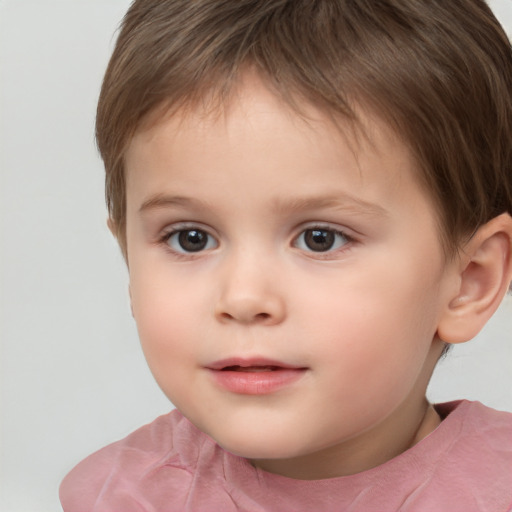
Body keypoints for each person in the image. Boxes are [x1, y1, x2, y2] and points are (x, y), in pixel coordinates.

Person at [59, 0, 512, 510]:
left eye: (321, 238)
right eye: (191, 238)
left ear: (470, 281)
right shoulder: (117, 498)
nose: (244, 297)